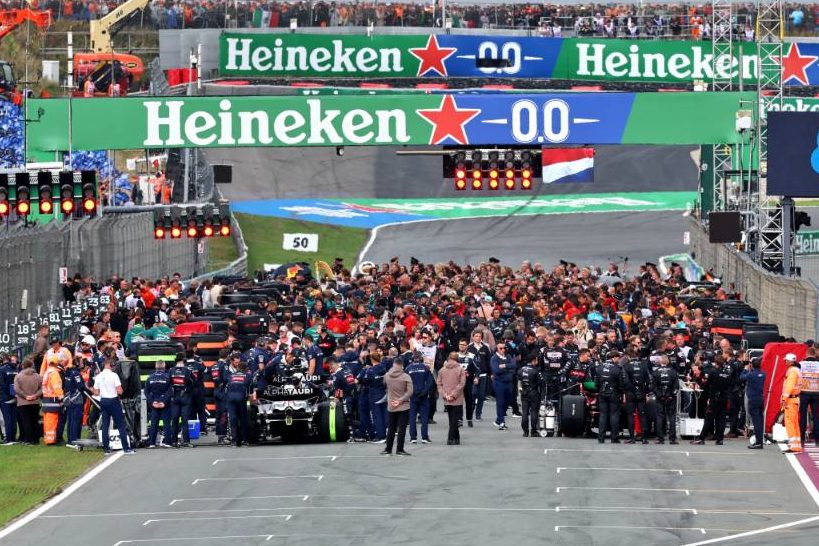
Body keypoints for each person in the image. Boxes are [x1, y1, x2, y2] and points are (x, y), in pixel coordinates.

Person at [92, 358, 134, 454]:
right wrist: (120, 390)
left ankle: (106, 449)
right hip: (113, 400)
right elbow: (119, 391)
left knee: (105, 425)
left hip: (103, 400)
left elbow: (96, 392)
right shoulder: (114, 375)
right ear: (109, 365)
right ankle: (126, 448)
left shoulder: (98, 376)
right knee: (121, 424)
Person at [692, 354, 733, 446]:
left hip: (714, 397)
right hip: (724, 397)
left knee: (709, 418)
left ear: (716, 363)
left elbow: (705, 384)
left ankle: (701, 438)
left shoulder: (713, 372)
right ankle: (720, 439)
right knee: (721, 419)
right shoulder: (728, 373)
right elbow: (730, 383)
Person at [381, 356, 413, 456]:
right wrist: (400, 400)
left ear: (393, 365)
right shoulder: (406, 377)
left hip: (391, 404)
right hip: (403, 405)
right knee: (402, 429)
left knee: (391, 428)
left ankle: (388, 449)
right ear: (402, 366)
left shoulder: (387, 375)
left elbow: (384, 385)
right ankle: (400, 449)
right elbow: (410, 392)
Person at [594, 352, 624, 443]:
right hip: (613, 394)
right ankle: (614, 438)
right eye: (618, 358)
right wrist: (620, 393)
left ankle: (601, 438)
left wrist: (599, 390)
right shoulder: (617, 368)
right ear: (614, 358)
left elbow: (596, 382)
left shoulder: (599, 367)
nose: (619, 360)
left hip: (602, 393)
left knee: (603, 415)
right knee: (614, 415)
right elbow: (621, 384)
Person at [623, 351, 652, 444]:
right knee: (642, 415)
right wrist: (645, 391)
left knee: (630, 415)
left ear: (630, 357)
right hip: (641, 393)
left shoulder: (626, 366)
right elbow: (649, 380)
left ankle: (632, 438)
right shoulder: (644, 365)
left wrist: (630, 390)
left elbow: (625, 381)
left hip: (630, 394)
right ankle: (644, 438)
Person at [438, 352, 466, 445]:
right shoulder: (460, 369)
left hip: (446, 398)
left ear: (448, 358)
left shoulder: (442, 370)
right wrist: (453, 395)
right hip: (457, 398)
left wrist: (445, 394)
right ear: (457, 359)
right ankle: (450, 438)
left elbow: (439, 384)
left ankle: (457, 438)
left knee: (451, 418)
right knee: (454, 419)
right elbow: (462, 384)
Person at [406, 351, 434, 444]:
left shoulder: (408, 368)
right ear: (421, 358)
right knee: (424, 418)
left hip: (412, 396)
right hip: (423, 395)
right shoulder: (426, 368)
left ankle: (413, 437)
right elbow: (430, 382)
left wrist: (412, 392)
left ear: (412, 358)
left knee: (412, 417)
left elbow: (405, 382)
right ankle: (424, 437)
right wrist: (424, 391)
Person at [144, 360, 172, 448]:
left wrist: (152, 402)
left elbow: (146, 392)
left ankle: (152, 443)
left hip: (154, 403)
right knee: (166, 423)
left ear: (156, 367)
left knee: (154, 424)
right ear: (164, 367)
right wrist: (163, 402)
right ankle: (168, 443)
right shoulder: (168, 377)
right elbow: (170, 392)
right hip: (165, 404)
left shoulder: (150, 377)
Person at [168, 355, 194, 448]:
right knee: (184, 420)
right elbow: (192, 383)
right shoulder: (187, 370)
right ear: (183, 361)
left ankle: (174, 441)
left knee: (174, 420)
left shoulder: (171, 370)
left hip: (174, 397)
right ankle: (186, 441)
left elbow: (168, 383)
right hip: (185, 397)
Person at [652, 355, 679, 445]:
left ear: (660, 361)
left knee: (660, 417)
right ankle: (672, 439)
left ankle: (660, 438)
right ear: (668, 361)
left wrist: (660, 396)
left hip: (660, 398)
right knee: (672, 417)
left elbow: (653, 387)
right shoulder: (673, 371)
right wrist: (671, 395)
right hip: (670, 398)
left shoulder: (656, 372)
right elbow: (676, 386)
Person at [490, 342, 517, 431]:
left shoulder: (508, 356)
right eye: (500, 348)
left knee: (508, 401)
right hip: (499, 383)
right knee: (500, 402)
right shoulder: (494, 358)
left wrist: (504, 365)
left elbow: (514, 366)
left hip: (509, 382)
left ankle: (498, 420)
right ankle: (502, 422)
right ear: (497, 349)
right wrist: (508, 369)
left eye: (504, 348)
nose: (503, 350)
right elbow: (496, 370)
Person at [226, 359, 253, 447]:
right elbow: (250, 390)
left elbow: (227, 387)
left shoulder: (231, 375)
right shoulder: (247, 376)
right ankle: (244, 440)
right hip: (241, 398)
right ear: (245, 369)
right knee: (243, 419)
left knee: (233, 419)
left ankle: (234, 441)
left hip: (230, 398)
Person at [741, 357, 766, 449]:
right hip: (760, 398)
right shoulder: (763, 374)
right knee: (760, 420)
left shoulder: (751, 375)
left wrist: (745, 369)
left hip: (753, 398)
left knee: (756, 421)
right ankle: (760, 440)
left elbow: (742, 377)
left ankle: (758, 442)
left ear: (752, 365)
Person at [14, 359, 41, 445]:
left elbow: (17, 389)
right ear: (31, 365)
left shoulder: (18, 376)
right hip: (35, 401)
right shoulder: (38, 376)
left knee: (26, 421)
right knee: (35, 420)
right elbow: (42, 388)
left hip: (22, 402)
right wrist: (35, 395)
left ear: (23, 366)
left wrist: (25, 396)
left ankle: (29, 439)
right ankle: (36, 439)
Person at [517, 354, 544, 437]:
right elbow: (541, 382)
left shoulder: (521, 369)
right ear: (533, 360)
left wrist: (520, 390)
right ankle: (533, 431)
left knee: (525, 412)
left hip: (524, 392)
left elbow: (519, 380)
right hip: (533, 392)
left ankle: (525, 431)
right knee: (534, 411)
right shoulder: (536, 370)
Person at [782, 353, 803, 454]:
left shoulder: (792, 372)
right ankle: (796, 446)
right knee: (795, 424)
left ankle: (793, 447)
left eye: (786, 360)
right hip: (795, 400)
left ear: (790, 361)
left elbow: (789, 387)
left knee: (790, 423)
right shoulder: (797, 370)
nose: (785, 361)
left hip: (790, 400)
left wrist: (784, 399)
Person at [456, 339, 479, 428]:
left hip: (468, 382)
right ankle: (459, 419)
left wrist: (476, 377)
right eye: (460, 344)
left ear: (467, 346)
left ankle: (469, 418)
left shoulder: (471, 356)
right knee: (458, 401)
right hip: (457, 383)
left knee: (469, 401)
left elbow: (477, 369)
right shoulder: (455, 356)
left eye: (463, 344)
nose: (461, 346)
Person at [41, 356, 64, 445]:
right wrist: (61, 397)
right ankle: (51, 440)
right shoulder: (54, 373)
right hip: (53, 400)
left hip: (46, 399)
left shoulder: (47, 372)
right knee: (52, 421)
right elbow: (56, 386)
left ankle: (47, 438)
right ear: (56, 363)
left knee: (47, 421)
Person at [799, 349, 819, 447]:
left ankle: (802, 439)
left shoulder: (801, 364)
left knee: (802, 416)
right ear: (815, 354)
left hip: (804, 392)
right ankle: (817, 440)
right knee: (816, 417)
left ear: (806, 354)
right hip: (816, 393)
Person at [62, 362, 86, 446]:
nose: (82, 364)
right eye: (81, 362)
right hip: (76, 399)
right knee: (76, 420)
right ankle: (75, 440)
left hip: (68, 399)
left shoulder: (67, 373)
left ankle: (70, 440)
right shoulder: (76, 373)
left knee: (71, 420)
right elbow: (81, 386)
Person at [0, 356, 17, 444]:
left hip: (4, 397)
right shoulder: (16, 369)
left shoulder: (2, 370)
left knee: (7, 418)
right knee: (13, 418)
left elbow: (2, 384)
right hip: (15, 396)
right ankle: (13, 437)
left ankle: (9, 438)